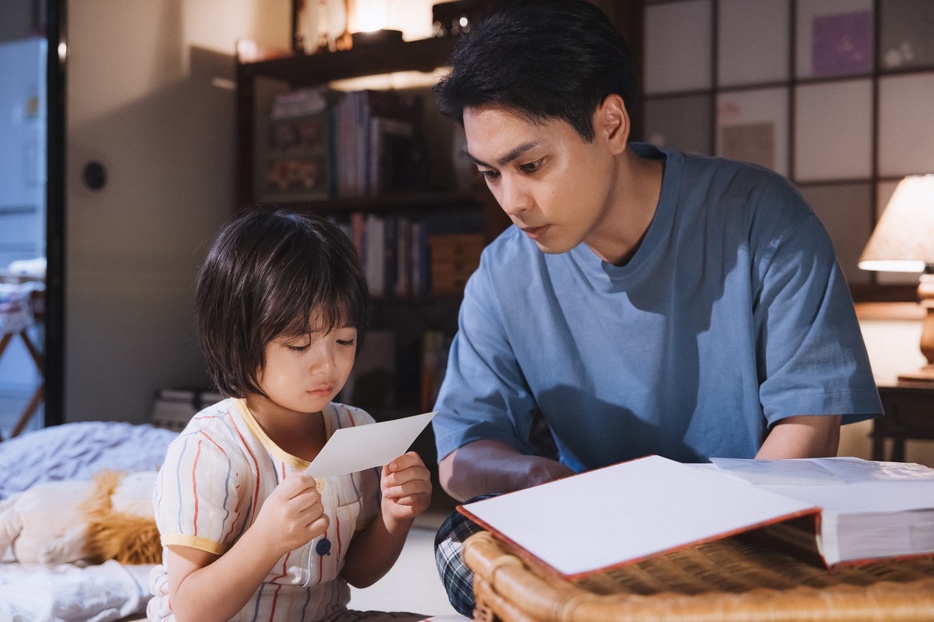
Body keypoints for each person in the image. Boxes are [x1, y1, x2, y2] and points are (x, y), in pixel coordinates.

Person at [429, 0, 883, 615]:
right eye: (490, 174)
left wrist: (716, 530)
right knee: (461, 549)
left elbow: (810, 426)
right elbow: (459, 458)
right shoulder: (503, 274)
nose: (513, 200)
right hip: (596, 533)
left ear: (611, 124)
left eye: (531, 165)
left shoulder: (761, 218)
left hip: (751, 523)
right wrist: (533, 477)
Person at [148, 210, 432, 622]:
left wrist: (395, 516)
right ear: (236, 340)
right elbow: (191, 608)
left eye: (344, 340)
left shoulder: (356, 430)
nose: (328, 365)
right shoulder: (210, 450)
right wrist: (264, 541)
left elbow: (359, 573)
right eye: (300, 344)